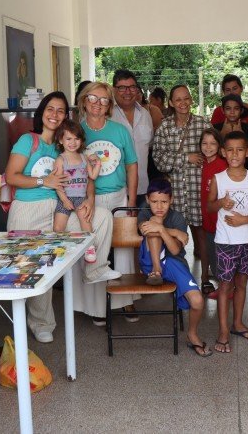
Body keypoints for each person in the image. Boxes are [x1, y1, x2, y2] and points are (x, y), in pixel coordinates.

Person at [5, 91, 115, 340]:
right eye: (50, 109)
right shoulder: (28, 140)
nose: (55, 115)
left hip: (59, 208)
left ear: (67, 116)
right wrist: (46, 180)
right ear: (41, 112)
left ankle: (94, 269)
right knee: (38, 265)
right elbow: (12, 176)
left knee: (102, 217)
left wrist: (90, 199)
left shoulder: (66, 145)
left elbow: (85, 177)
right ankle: (42, 323)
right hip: (28, 211)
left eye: (61, 111)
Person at [78, 81, 140, 324]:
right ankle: (96, 307)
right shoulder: (78, 132)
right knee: (94, 251)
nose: (97, 104)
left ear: (109, 106)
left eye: (104, 100)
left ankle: (125, 301)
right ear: (84, 101)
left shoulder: (120, 131)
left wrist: (132, 199)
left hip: (118, 195)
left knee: (123, 249)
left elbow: (132, 165)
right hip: (89, 199)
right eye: (93, 98)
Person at [207, 131, 248, 353]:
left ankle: (237, 323)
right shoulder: (218, 179)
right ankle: (223, 330)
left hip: (247, 242)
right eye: (230, 149)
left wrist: (244, 219)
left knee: (241, 284)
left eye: (240, 149)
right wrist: (221, 202)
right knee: (225, 286)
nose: (234, 154)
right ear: (223, 152)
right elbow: (210, 206)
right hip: (225, 242)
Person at [137, 179, 210, 357]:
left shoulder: (177, 217)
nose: (159, 206)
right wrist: (176, 232)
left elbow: (175, 249)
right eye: (154, 201)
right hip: (150, 263)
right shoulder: (144, 212)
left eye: (164, 201)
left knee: (198, 301)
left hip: (175, 263)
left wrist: (162, 230)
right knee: (154, 222)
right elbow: (146, 230)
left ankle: (192, 335)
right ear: (147, 199)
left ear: (172, 200)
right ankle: (156, 270)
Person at [52, 120, 117, 283]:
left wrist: (98, 163)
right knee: (58, 226)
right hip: (66, 198)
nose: (72, 143)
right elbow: (57, 183)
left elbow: (92, 176)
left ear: (81, 140)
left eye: (76, 139)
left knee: (86, 220)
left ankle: (90, 249)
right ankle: (61, 249)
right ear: (60, 140)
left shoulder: (83, 157)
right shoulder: (60, 160)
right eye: (68, 139)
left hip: (81, 198)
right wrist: (64, 200)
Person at [153, 84, 209, 269]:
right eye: (178, 99)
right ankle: (176, 276)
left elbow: (212, 154)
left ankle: (206, 279)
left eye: (186, 98)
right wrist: (187, 158)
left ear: (191, 100)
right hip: (174, 193)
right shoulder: (165, 127)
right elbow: (159, 160)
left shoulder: (202, 124)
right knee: (174, 239)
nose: (183, 103)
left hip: (197, 190)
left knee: (202, 239)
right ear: (171, 102)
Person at [110, 70, 159, 205]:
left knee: (140, 225)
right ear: (114, 90)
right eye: (122, 88)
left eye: (132, 87)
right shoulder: (107, 116)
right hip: (115, 189)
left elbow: (149, 146)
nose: (128, 92)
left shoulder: (145, 114)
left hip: (142, 187)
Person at [199, 128, 227, 296]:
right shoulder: (202, 163)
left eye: (212, 143)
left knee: (220, 256)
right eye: (204, 143)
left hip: (220, 221)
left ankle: (226, 289)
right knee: (212, 252)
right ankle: (223, 287)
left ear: (219, 146)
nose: (208, 147)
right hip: (207, 218)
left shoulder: (222, 166)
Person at [212, 94, 248, 171]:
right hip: (220, 171)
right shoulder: (215, 128)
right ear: (223, 111)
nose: (232, 112)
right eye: (228, 108)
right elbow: (209, 152)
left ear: (241, 110)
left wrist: (242, 135)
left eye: (236, 108)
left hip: (245, 171)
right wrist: (222, 135)